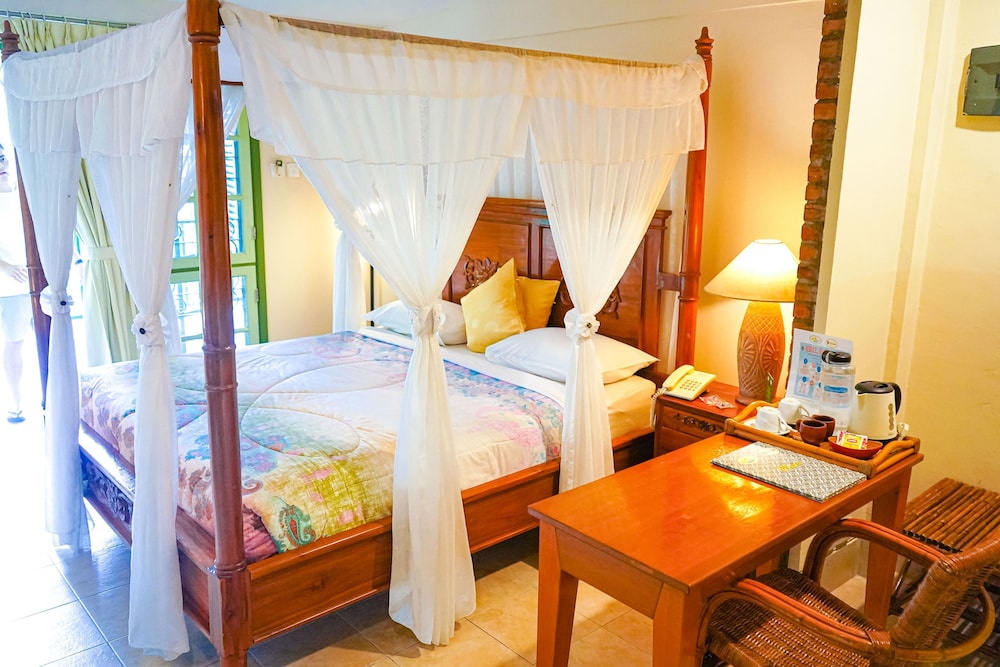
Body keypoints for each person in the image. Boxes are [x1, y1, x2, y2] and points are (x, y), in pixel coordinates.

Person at [0, 143, 31, 423]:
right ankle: (16, 401)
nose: (1, 165)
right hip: (9, 284)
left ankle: (20, 400)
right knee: (13, 343)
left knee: (19, 344)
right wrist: (6, 267)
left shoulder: (25, 190)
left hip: (28, 283)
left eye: (1, 157)